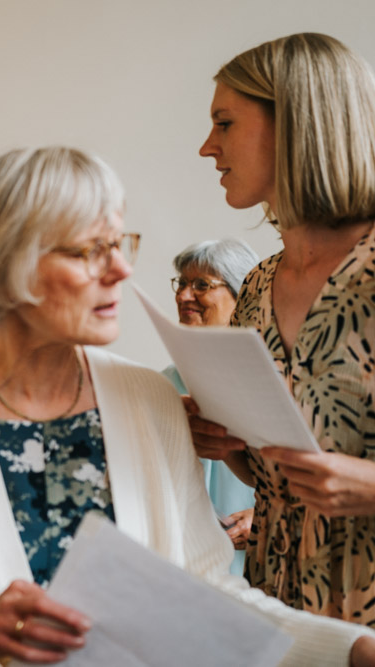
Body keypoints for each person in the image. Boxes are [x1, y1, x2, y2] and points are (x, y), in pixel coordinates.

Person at [0, 146, 375, 666]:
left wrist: (349, 649)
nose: (121, 270)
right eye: (89, 250)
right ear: (7, 264)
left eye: (121, 244)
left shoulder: (150, 400)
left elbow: (206, 596)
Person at [193, 32, 375, 626]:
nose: (206, 147)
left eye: (225, 123)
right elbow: (265, 476)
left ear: (297, 124)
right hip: (276, 614)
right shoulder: (256, 286)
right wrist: (228, 444)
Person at [163, 238, 259, 576]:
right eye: (182, 283)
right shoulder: (164, 384)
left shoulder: (269, 379)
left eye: (201, 285)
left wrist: (263, 517)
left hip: (248, 569)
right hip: (181, 567)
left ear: (242, 294)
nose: (183, 296)